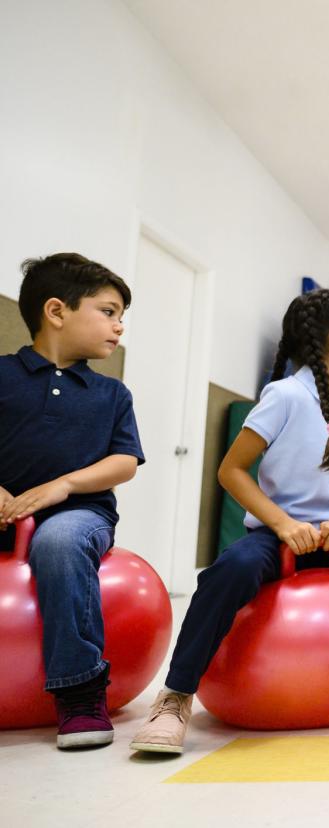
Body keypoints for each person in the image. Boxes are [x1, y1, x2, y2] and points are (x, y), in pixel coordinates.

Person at [130, 289, 329, 754]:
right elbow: (231, 470)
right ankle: (175, 698)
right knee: (228, 571)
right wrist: (284, 525)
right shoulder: (286, 396)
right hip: (277, 538)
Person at [0, 253, 144, 749]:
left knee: (59, 543)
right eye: (108, 311)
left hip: (76, 514)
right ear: (57, 311)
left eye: (122, 315)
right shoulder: (2, 375)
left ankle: (81, 693)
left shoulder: (111, 394)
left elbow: (124, 461)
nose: (119, 326)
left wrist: (63, 486)